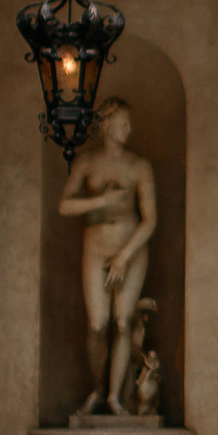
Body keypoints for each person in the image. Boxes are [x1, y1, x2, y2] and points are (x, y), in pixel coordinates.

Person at [56, 97, 158, 416]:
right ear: (107, 126)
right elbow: (64, 206)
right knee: (98, 324)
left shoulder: (139, 166)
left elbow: (150, 219)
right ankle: (98, 390)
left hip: (130, 247)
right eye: (123, 123)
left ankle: (115, 397)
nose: (130, 129)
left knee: (123, 320)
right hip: (96, 244)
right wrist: (101, 201)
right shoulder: (87, 162)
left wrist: (125, 256)